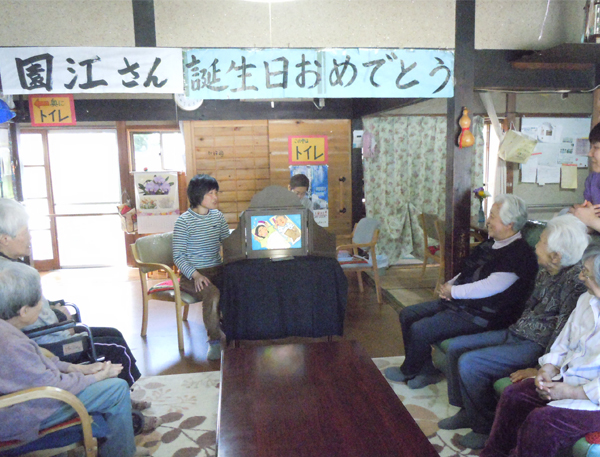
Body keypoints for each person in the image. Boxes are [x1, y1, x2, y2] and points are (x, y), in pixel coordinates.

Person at [437, 214, 589, 449]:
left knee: (471, 363)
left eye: (541, 242)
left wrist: (538, 367)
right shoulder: (546, 269)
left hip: (535, 346)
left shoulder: (576, 283)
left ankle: (484, 426)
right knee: (456, 348)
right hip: (517, 331)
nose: (535, 245)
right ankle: (467, 411)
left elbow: (563, 334)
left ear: (556, 255)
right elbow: (528, 306)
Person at [384, 194, 539, 389]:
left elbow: (490, 286)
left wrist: (454, 292)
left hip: (486, 315)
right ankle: (424, 370)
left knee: (421, 328)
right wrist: (449, 285)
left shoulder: (520, 255)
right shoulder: (491, 243)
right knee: (408, 314)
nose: (488, 221)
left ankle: (412, 370)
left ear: (510, 224)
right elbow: (469, 270)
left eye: (492, 216)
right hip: (465, 304)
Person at [0, 261, 149, 457]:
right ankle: (121, 453)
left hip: (32, 401)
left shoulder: (8, 330)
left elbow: (40, 362)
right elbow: (53, 385)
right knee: (116, 388)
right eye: (39, 301)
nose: (43, 306)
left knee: (104, 378)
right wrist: (96, 378)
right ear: (24, 311)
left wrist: (77, 369)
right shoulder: (11, 344)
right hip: (28, 412)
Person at [0, 198, 142, 388]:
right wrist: (63, 319)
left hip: (44, 335)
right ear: (5, 239)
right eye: (25, 232)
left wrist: (54, 310)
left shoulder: (10, 267)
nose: (30, 238)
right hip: (51, 342)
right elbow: (35, 319)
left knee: (112, 333)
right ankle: (127, 397)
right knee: (115, 348)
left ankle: (127, 394)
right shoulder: (11, 274)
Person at [480, 243, 600, 457]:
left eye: (586, 273)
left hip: (593, 399)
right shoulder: (586, 300)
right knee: (514, 395)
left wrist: (574, 392)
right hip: (568, 381)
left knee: (542, 422)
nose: (581, 277)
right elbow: (564, 343)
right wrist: (548, 369)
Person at [173, 174, 231, 360]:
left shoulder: (218, 216)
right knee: (212, 294)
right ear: (198, 196)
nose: (216, 197)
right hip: (193, 275)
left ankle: (233, 330)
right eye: (211, 193)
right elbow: (178, 256)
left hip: (217, 269)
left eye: (216, 193)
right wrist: (196, 275)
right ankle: (214, 341)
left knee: (238, 286)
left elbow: (227, 242)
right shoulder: (184, 221)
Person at [569, 122, 600, 230]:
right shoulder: (593, 179)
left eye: (595, 147)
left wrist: (592, 220)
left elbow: (591, 219)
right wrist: (578, 214)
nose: (589, 153)